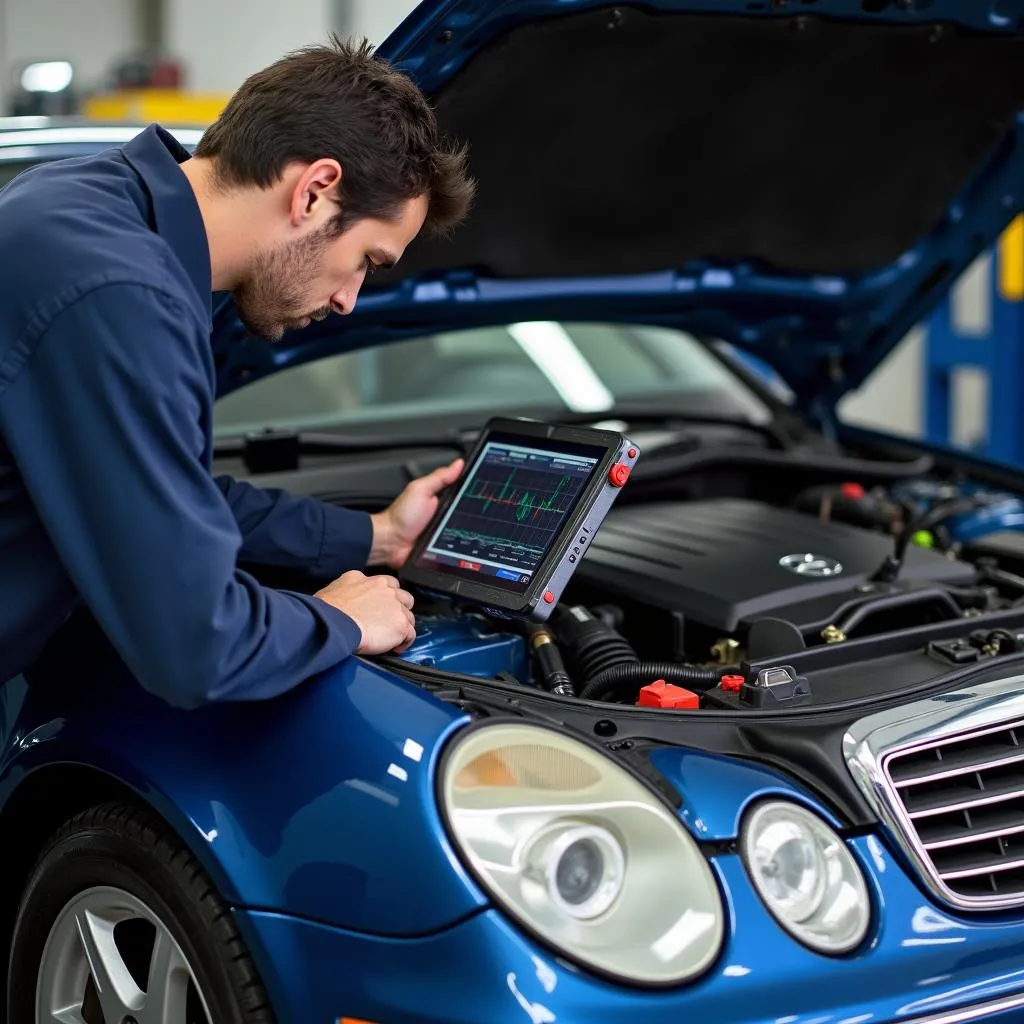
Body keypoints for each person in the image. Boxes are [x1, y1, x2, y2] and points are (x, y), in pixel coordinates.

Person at [0, 37, 476, 708]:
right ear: (314, 192)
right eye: (369, 260)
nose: (350, 301)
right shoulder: (122, 296)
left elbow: (157, 491)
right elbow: (195, 645)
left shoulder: (84, 200)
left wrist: (376, 536)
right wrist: (341, 618)